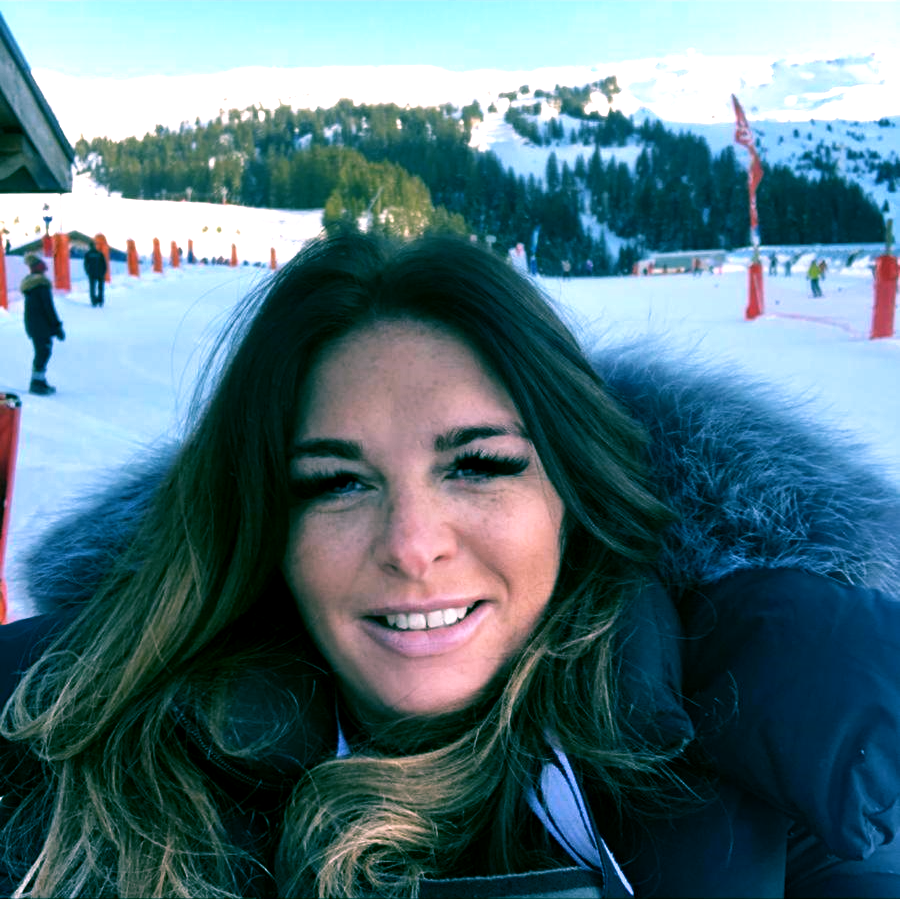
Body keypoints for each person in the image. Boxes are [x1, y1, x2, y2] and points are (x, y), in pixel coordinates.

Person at [1, 232, 900, 898]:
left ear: (575, 492)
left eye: (477, 465)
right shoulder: (65, 749)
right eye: (336, 482)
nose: (411, 544)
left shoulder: (812, 758)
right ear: (265, 525)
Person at [19, 254, 65, 396]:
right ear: (38, 267)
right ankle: (36, 384)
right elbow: (48, 307)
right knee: (43, 353)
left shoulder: (30, 285)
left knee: (42, 352)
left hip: (33, 323)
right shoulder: (41, 285)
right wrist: (57, 327)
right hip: (41, 325)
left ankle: (40, 381)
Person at [83, 239, 108, 307]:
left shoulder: (87, 254)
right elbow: (104, 264)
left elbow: (85, 264)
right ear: (94, 246)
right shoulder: (99, 253)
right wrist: (103, 272)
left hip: (92, 274)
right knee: (101, 288)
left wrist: (88, 272)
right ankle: (100, 301)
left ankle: (94, 301)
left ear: (90, 246)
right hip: (100, 274)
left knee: (92, 288)